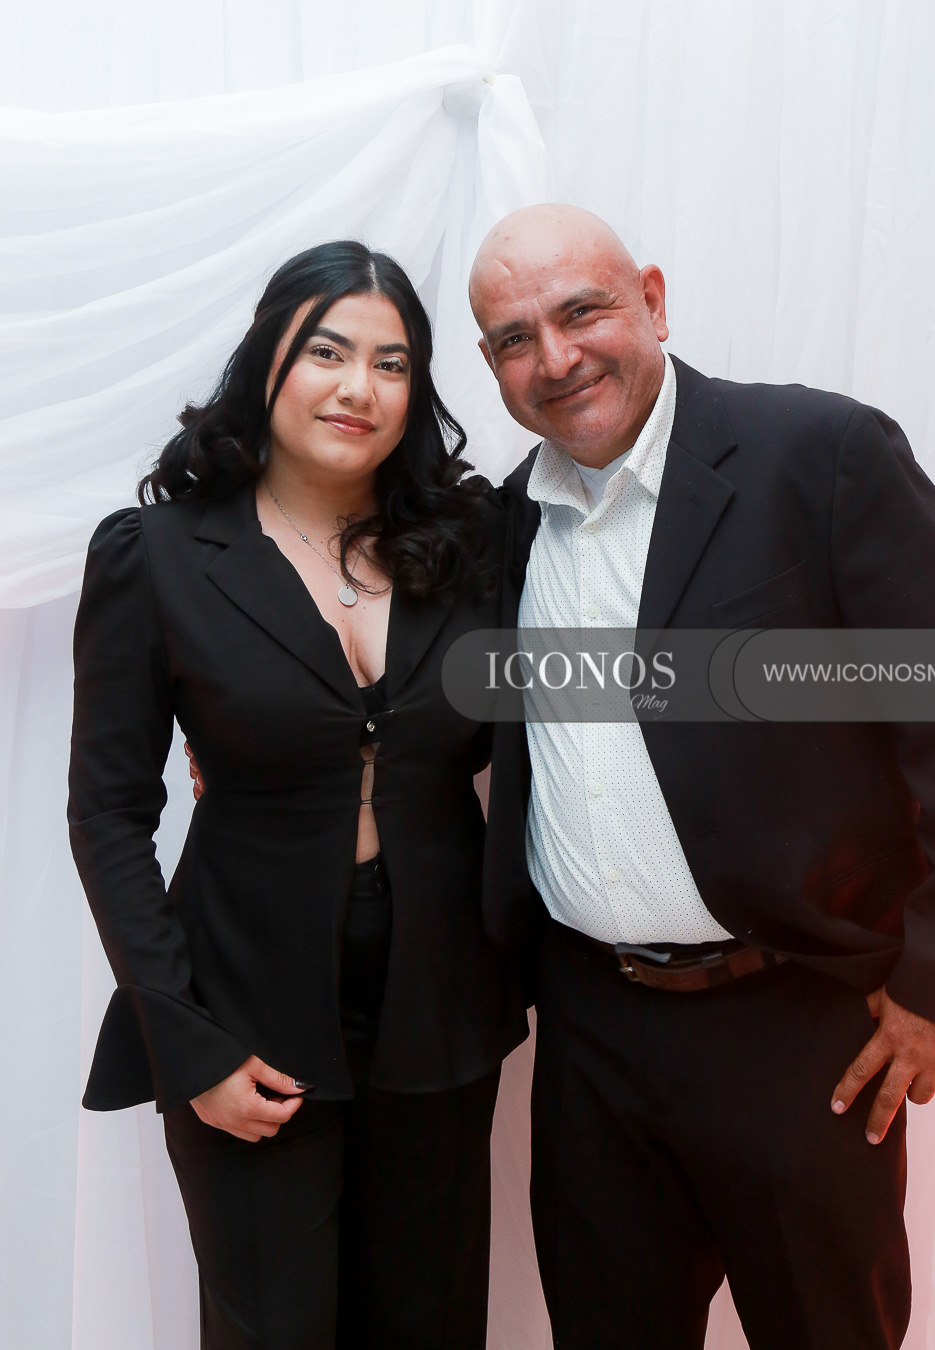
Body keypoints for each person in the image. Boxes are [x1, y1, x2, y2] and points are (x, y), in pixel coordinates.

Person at [469, 205, 935, 1350]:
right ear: (492, 367)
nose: (557, 357)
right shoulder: (502, 525)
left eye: (582, 311)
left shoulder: (819, 455)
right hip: (588, 1035)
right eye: (516, 339)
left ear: (653, 301)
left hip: (797, 1028)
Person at [68, 240, 526, 1350]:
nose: (358, 387)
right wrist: (188, 1043)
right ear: (267, 358)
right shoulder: (157, 555)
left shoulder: (472, 544)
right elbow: (108, 815)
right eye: (327, 351)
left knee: (429, 1326)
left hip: (437, 1008)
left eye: (391, 362)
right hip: (245, 1012)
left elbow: (527, 734)